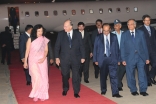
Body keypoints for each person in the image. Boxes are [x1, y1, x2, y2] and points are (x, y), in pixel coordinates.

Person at [55, 20, 85, 98]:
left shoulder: (78, 34)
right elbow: (57, 46)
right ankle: (65, 89)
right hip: (64, 58)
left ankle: (76, 92)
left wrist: (83, 56)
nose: (64, 27)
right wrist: (57, 57)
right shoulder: (61, 34)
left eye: (66, 26)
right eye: (64, 26)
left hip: (76, 58)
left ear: (71, 27)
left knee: (76, 75)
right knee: (65, 75)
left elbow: (81, 46)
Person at [120, 19, 149, 96]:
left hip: (140, 56)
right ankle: (133, 90)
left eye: (131, 24)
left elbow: (144, 46)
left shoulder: (141, 33)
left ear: (135, 25)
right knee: (130, 74)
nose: (129, 26)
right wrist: (123, 59)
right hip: (129, 57)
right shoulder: (124, 34)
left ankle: (143, 90)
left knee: (142, 73)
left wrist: (147, 58)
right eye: (128, 24)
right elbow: (122, 47)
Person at [93, 23, 122, 98]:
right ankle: (103, 90)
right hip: (102, 59)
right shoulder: (98, 37)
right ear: (102, 30)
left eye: (107, 31)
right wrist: (95, 59)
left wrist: (118, 59)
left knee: (114, 76)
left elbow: (117, 48)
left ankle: (115, 92)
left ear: (110, 29)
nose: (105, 32)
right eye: (104, 31)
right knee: (103, 76)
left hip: (112, 58)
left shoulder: (114, 36)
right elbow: (95, 49)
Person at [23, 24, 49, 101]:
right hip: (32, 61)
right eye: (38, 31)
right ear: (35, 31)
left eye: (41, 31)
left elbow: (46, 50)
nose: (40, 32)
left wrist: (44, 58)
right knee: (36, 77)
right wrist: (25, 62)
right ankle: (35, 93)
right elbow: (27, 51)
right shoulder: (30, 39)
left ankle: (41, 94)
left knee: (43, 78)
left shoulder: (44, 39)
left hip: (42, 61)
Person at [139, 15, 156, 86]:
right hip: (145, 50)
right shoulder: (140, 30)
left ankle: (151, 76)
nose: (148, 21)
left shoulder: (153, 29)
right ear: (143, 21)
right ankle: (148, 80)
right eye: (146, 20)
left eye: (149, 20)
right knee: (145, 66)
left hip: (153, 50)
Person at [112, 19, 125, 91]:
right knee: (117, 69)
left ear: (120, 26)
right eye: (115, 25)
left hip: (123, 53)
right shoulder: (112, 35)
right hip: (115, 54)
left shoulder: (124, 33)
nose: (116, 26)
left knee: (123, 69)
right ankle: (119, 85)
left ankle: (119, 80)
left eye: (117, 25)